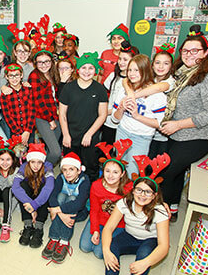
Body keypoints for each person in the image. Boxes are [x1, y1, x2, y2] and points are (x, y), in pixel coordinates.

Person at [158, 25, 208, 221]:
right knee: (175, 172)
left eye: (195, 50)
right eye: (185, 50)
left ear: (205, 53)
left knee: (168, 170)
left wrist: (178, 125)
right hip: (174, 132)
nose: (189, 54)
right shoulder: (180, 72)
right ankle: (172, 209)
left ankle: (161, 211)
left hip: (198, 135)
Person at [102, 177, 169, 275]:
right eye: (139, 190)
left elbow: (164, 246)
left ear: (154, 195)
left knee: (144, 255)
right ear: (133, 191)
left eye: (148, 192)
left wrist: (146, 262)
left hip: (149, 240)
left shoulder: (160, 211)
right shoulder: (124, 203)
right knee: (112, 246)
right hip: (129, 235)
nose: (142, 195)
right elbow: (108, 228)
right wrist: (106, 250)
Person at [112, 54, 167, 177]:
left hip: (141, 138)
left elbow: (159, 124)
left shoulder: (157, 95)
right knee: (118, 169)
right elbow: (115, 119)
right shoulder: (124, 90)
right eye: (130, 70)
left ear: (145, 70)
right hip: (122, 132)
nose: (132, 74)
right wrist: (121, 108)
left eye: (136, 70)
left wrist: (137, 116)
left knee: (133, 173)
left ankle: (130, 195)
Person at [60, 52, 108, 182]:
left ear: (96, 71)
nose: (87, 71)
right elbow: (62, 114)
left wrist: (89, 134)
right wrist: (65, 134)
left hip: (90, 137)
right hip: (71, 136)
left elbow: (102, 115)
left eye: (91, 68)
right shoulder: (68, 88)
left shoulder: (100, 90)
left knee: (90, 168)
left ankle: (89, 195)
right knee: (70, 167)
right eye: (83, 68)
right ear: (78, 69)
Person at [80, 144, 133, 259]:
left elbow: (147, 193)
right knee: (85, 247)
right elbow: (94, 210)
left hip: (117, 224)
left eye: (115, 172)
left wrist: (163, 204)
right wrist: (95, 230)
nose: (110, 175)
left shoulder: (129, 188)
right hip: (99, 220)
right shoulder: (96, 185)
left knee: (99, 253)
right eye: (107, 171)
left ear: (122, 174)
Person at [123, 43, 176, 158]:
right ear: (151, 65)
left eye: (166, 63)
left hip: (160, 132)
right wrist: (130, 92)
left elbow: (158, 88)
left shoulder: (170, 82)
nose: (161, 67)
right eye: (157, 63)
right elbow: (125, 80)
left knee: (152, 163)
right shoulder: (150, 78)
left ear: (171, 66)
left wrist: (133, 96)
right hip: (142, 129)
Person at [42, 153, 90, 264]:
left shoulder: (85, 180)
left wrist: (57, 210)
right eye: (64, 169)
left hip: (78, 213)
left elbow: (79, 204)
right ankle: (54, 238)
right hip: (63, 211)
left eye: (71, 169)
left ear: (79, 170)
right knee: (60, 196)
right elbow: (52, 196)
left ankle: (64, 240)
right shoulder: (61, 178)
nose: (67, 173)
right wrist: (61, 214)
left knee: (72, 198)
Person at [12, 143, 55, 248]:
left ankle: (39, 227)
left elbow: (49, 188)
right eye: (33, 162)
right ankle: (28, 225)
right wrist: (31, 208)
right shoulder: (23, 167)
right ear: (29, 161)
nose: (36, 165)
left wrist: (34, 205)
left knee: (45, 187)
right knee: (22, 186)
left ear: (43, 162)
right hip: (30, 196)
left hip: (41, 196)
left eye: (39, 162)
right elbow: (15, 187)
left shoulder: (48, 167)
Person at [101, 41, 139, 145]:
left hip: (124, 123)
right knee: (105, 150)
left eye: (125, 60)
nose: (121, 62)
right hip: (108, 121)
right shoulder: (113, 75)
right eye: (120, 59)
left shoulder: (135, 80)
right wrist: (104, 111)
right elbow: (102, 93)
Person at [29, 50, 61, 166]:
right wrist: (50, 120)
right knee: (56, 152)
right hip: (42, 117)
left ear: (52, 62)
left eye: (47, 61)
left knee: (51, 147)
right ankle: (43, 170)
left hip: (55, 114)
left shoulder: (53, 74)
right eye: (40, 62)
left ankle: (44, 174)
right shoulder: (34, 76)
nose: (44, 65)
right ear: (35, 64)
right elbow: (38, 102)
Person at [0, 63, 35, 145]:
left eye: (17, 75)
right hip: (15, 132)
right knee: (17, 154)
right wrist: (19, 133)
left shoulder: (28, 90)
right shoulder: (4, 95)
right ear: (6, 77)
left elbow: (32, 111)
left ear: (21, 75)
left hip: (29, 130)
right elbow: (7, 116)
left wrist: (27, 131)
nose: (14, 78)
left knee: (30, 152)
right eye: (11, 76)